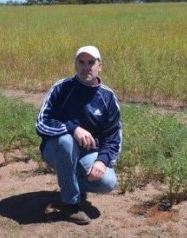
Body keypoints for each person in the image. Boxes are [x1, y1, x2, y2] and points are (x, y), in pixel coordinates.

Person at [35, 45, 123, 225]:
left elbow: (113, 136)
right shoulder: (62, 88)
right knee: (66, 141)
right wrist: (73, 128)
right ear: (76, 65)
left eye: (91, 62)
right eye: (81, 62)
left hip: (87, 152)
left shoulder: (107, 97)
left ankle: (69, 183)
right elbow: (42, 123)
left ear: (100, 66)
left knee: (108, 182)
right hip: (56, 149)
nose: (86, 67)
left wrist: (102, 160)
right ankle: (70, 204)